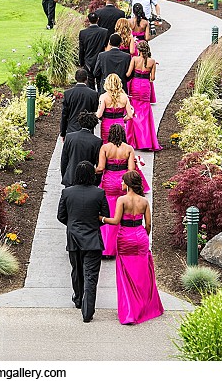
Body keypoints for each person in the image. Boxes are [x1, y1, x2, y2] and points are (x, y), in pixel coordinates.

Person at [101, 171, 164, 325]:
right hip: (140, 236)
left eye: (123, 181)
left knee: (126, 273)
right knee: (142, 272)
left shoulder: (122, 199)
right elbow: (148, 224)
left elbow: (116, 221)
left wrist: (101, 218)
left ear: (128, 184)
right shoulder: (144, 201)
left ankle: (130, 310)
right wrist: (144, 235)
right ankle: (146, 306)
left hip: (125, 238)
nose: (120, 184)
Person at [57, 161, 109, 322]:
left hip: (73, 238)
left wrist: (72, 225)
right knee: (91, 276)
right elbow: (105, 215)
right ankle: (88, 311)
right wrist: (93, 223)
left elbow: (61, 216)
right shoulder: (99, 193)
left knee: (77, 270)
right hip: (93, 239)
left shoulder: (67, 192)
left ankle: (78, 299)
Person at [96, 124, 138, 258]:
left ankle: (105, 247)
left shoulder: (105, 148)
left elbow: (101, 167)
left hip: (108, 182)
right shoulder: (129, 148)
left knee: (107, 211)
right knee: (121, 213)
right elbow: (131, 169)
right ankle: (117, 247)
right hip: (122, 183)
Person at [126, 40, 161, 152]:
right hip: (145, 87)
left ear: (139, 50)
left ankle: (133, 140)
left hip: (135, 85)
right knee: (145, 113)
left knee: (134, 110)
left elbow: (128, 74)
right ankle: (145, 141)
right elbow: (152, 78)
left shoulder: (134, 59)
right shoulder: (152, 61)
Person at [61, 112, 104, 188]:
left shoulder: (69, 137)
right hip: (88, 179)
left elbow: (64, 160)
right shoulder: (97, 141)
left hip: (71, 177)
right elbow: (98, 163)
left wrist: (65, 175)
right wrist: (96, 181)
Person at [61, 69, 102, 139]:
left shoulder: (68, 94)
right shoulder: (93, 94)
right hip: (88, 129)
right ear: (86, 79)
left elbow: (64, 114)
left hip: (72, 130)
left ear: (75, 78)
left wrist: (63, 132)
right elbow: (94, 111)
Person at [96, 73, 135, 143]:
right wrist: (122, 119)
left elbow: (99, 115)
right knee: (119, 145)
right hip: (120, 124)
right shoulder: (124, 97)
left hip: (106, 125)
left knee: (106, 145)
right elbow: (130, 115)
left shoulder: (103, 97)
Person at [78, 12, 110, 92]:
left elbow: (81, 49)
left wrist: (81, 62)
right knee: (101, 84)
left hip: (88, 61)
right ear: (98, 19)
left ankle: (92, 101)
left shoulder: (83, 33)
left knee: (90, 85)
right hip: (100, 61)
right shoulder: (104, 32)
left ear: (88, 20)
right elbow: (107, 46)